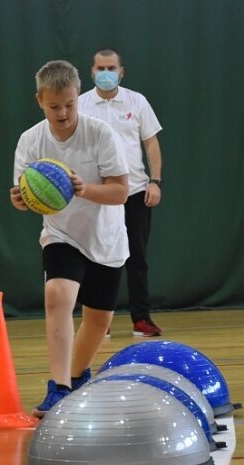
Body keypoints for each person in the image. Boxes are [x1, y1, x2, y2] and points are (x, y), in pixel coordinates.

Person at [10, 60, 130, 418]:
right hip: (61, 234)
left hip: (105, 238)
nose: (62, 113)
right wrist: (20, 200)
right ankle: (58, 386)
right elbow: (23, 195)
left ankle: (77, 377)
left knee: (98, 321)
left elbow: (121, 192)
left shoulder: (100, 134)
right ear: (39, 101)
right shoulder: (31, 140)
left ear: (78, 97)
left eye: (69, 104)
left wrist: (84, 188)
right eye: (53, 106)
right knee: (57, 294)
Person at [78, 48, 164, 338]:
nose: (106, 73)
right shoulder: (80, 105)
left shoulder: (137, 101)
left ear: (121, 71)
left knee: (137, 259)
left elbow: (151, 143)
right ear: (91, 72)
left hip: (136, 192)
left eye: (111, 68)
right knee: (97, 258)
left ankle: (141, 318)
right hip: (98, 195)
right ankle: (100, 322)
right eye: (100, 68)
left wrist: (155, 181)